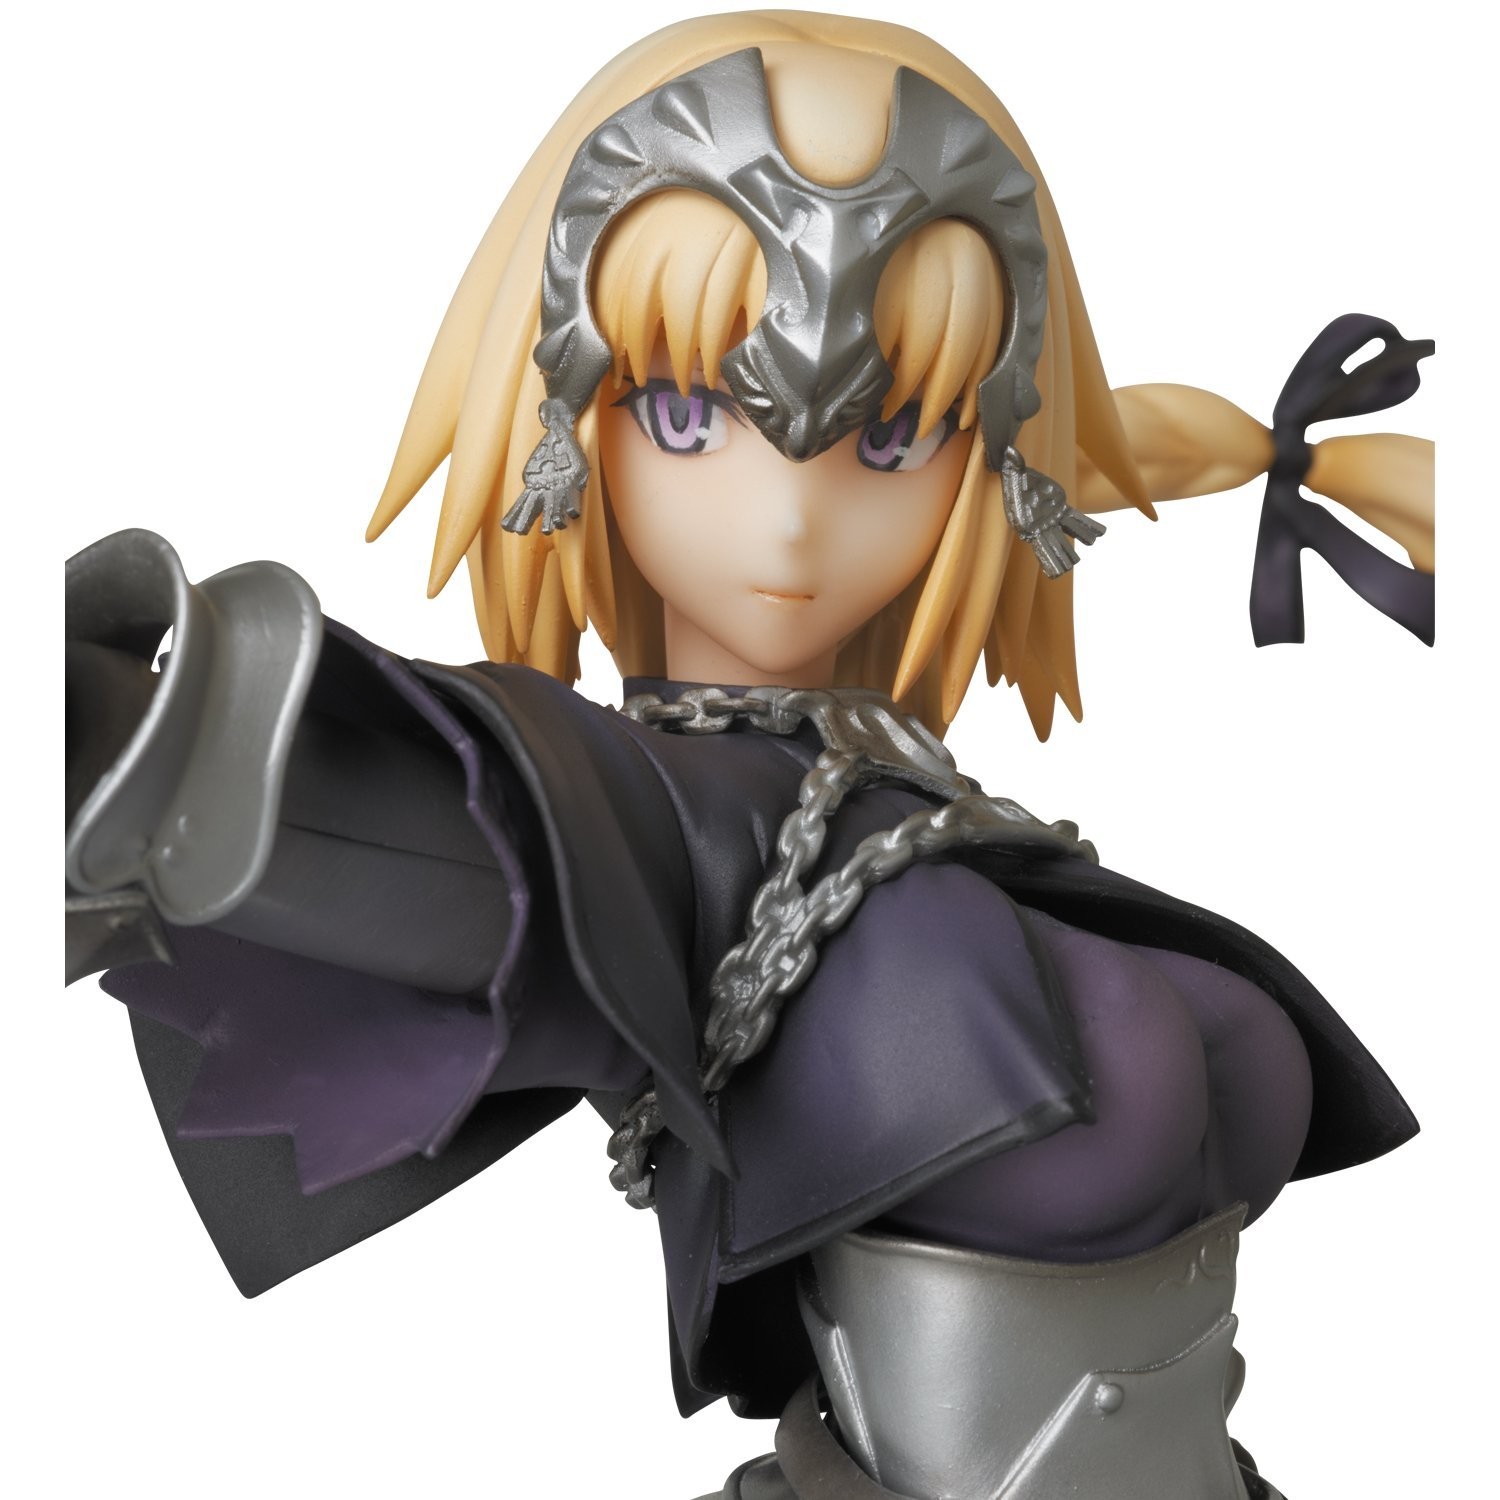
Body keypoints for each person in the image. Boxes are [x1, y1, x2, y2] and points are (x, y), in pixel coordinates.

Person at [49, 10, 1441, 1499]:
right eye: (685, 412)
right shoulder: (647, 827)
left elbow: (1110, 439)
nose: (790, 521)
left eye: (892, 435)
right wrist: (108, 735)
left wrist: (1287, 462)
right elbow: (336, 802)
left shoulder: (893, 802)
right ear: (564, 413)